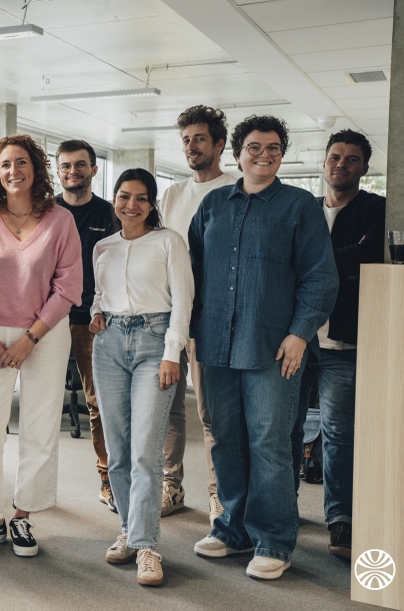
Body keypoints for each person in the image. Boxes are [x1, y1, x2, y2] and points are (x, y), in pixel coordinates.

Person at [189, 115, 337, 580]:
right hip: (217, 344)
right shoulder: (213, 204)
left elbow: (320, 276)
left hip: (274, 346)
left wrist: (300, 334)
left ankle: (273, 539)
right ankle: (233, 529)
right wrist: (185, 332)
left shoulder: (299, 206)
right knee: (226, 440)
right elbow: (190, 272)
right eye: (254, 147)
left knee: (269, 443)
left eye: (274, 147)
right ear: (237, 154)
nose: (264, 155)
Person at [0, 135, 82, 558]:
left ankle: (23, 516)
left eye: (21, 162)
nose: (13, 171)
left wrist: (30, 338)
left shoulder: (60, 220)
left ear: (35, 168)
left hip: (45, 332)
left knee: (40, 427)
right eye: (5, 164)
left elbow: (68, 287)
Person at [90, 169, 194, 587]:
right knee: (117, 451)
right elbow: (100, 293)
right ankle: (130, 532)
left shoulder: (169, 241)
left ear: (152, 204)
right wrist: (96, 312)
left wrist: (173, 353)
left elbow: (183, 301)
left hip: (155, 342)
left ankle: (148, 545)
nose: (131, 205)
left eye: (140, 198)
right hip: (109, 344)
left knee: (145, 452)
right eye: (123, 196)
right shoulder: (103, 247)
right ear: (114, 199)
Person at [306, 129, 385, 559]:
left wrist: (315, 263)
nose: (341, 164)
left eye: (352, 159)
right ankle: (279, 510)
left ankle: (341, 519)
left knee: (338, 434)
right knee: (282, 431)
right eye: (335, 156)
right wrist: (344, 258)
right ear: (324, 163)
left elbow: (372, 255)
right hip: (297, 340)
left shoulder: (376, 208)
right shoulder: (306, 210)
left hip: (343, 343)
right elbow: (287, 261)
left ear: (364, 168)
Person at [158, 105, 238, 521]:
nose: (191, 146)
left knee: (211, 412)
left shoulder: (236, 189)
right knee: (168, 406)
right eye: (186, 140)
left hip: (211, 317)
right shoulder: (172, 194)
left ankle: (217, 491)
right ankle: (171, 487)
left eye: (200, 139)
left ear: (219, 144)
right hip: (171, 314)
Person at [54, 139, 117, 511]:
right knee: (40, 404)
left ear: (94, 169)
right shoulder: (46, 212)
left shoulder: (109, 214)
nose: (72, 171)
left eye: (80, 165)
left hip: (91, 320)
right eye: (65, 165)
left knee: (98, 404)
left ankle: (108, 480)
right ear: (58, 170)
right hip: (48, 319)